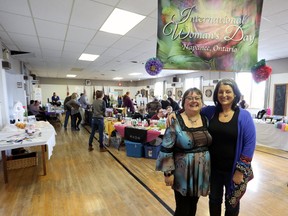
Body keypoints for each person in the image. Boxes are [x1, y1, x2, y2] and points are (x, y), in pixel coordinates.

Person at [168, 78, 256, 216]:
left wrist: (240, 171)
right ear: (216, 95)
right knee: (214, 200)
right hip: (213, 169)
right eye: (220, 92)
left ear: (235, 94)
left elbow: (249, 145)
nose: (224, 95)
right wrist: (176, 113)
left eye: (228, 92)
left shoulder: (244, 116)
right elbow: (192, 108)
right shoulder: (210, 112)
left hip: (234, 169)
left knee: (231, 204)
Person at [156, 87, 212, 216]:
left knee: (193, 206)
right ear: (183, 102)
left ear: (202, 102)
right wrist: (168, 173)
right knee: (182, 208)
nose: (194, 101)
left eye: (197, 98)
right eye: (190, 98)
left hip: (201, 171)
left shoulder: (206, 119)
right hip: (182, 172)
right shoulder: (175, 120)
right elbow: (166, 147)